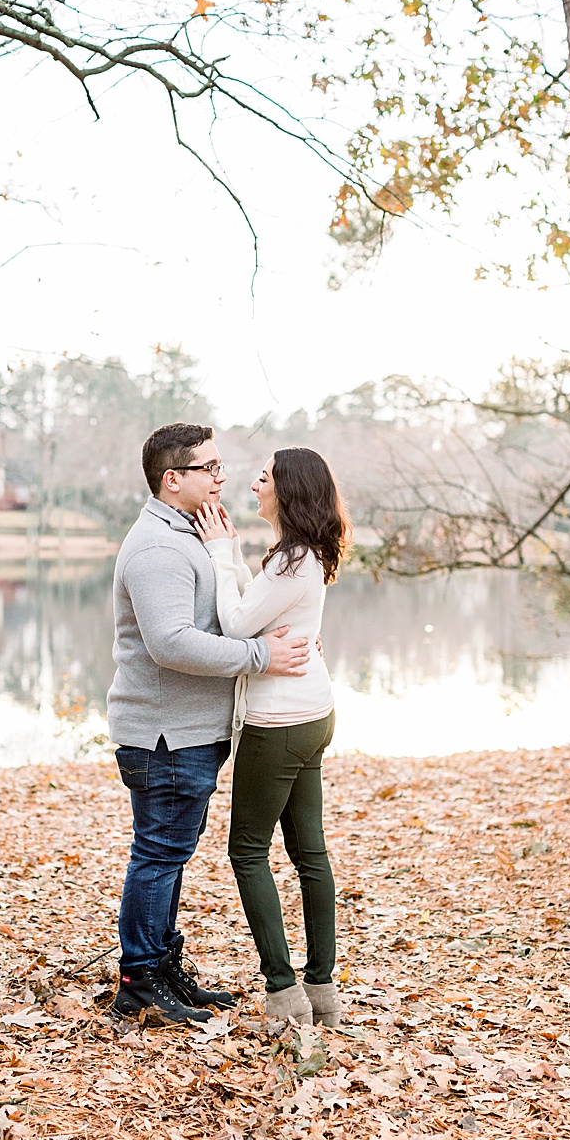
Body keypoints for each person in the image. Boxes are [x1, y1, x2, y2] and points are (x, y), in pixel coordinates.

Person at [106, 422, 312, 1026]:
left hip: (190, 732)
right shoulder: (159, 549)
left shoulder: (188, 535)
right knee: (159, 853)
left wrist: (274, 629)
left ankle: (162, 967)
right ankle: (139, 982)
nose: (224, 477)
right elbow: (171, 643)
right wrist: (260, 656)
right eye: (211, 468)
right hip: (165, 734)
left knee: (170, 852)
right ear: (175, 480)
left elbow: (224, 615)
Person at [194, 448, 348, 1028]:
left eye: (263, 477)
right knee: (309, 851)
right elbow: (255, 609)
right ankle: (322, 989)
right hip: (312, 714)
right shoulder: (299, 555)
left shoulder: (292, 561)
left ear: (287, 489)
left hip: (280, 724)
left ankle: (284, 994)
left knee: (247, 849)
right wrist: (229, 551)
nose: (253, 483)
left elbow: (235, 624)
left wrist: (215, 552)